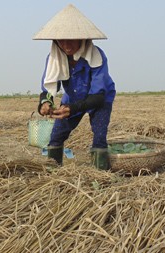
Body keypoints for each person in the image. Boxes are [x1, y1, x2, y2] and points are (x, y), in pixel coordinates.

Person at [33, 4, 116, 169]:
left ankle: (100, 174)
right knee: (56, 136)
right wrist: (45, 103)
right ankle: (53, 171)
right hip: (72, 99)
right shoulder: (54, 58)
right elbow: (49, 88)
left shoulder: (97, 56)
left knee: (99, 136)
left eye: (71, 39)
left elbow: (98, 95)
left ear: (83, 39)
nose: (66, 45)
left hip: (100, 99)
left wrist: (73, 108)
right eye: (61, 40)